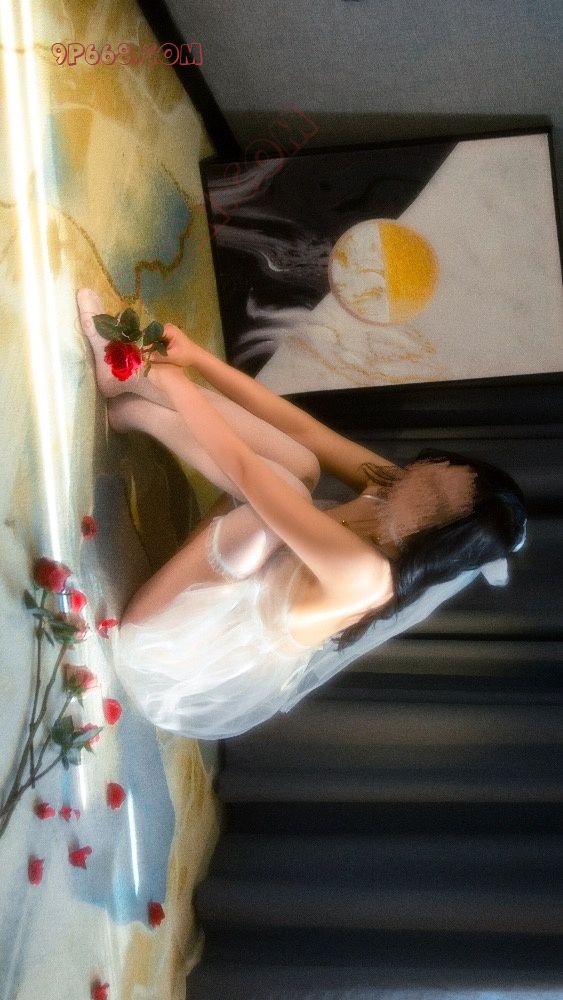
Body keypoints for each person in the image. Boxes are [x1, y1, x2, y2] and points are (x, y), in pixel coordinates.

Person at [76, 289, 527, 740]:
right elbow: (301, 429)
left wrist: (176, 385)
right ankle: (130, 393)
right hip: (229, 579)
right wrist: (197, 358)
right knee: (303, 465)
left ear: (436, 534)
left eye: (435, 496)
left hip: (172, 653)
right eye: (435, 469)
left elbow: (247, 471)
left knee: (279, 496)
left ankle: (137, 396)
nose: (419, 475)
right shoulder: (397, 492)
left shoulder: (368, 576)